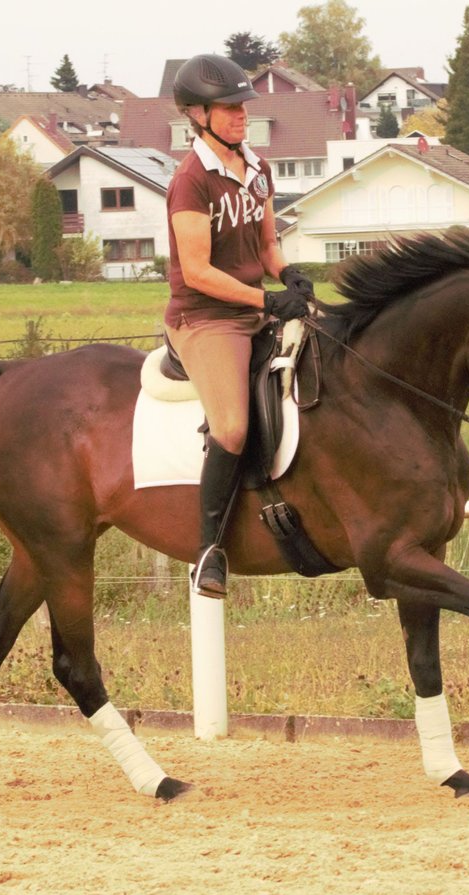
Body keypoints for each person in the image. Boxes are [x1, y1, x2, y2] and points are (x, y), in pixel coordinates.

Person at [164, 53, 314, 598]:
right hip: (205, 319)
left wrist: (289, 275)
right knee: (230, 428)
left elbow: (268, 244)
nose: (240, 116)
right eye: (228, 108)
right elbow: (199, 271)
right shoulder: (190, 181)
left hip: (255, 305)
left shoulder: (257, 168)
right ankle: (210, 548)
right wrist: (267, 300)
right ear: (198, 115)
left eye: (242, 106)